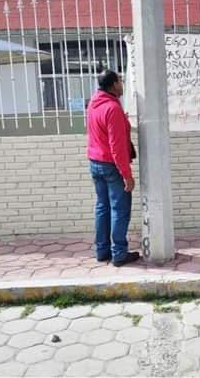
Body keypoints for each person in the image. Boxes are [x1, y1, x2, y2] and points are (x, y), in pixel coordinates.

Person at [86, 70, 140, 267]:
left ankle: (102, 251)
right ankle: (119, 254)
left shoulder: (93, 104)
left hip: (95, 162)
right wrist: (127, 175)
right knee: (120, 208)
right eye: (120, 80)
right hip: (111, 165)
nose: (122, 84)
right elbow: (117, 147)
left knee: (102, 208)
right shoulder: (112, 108)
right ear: (114, 85)